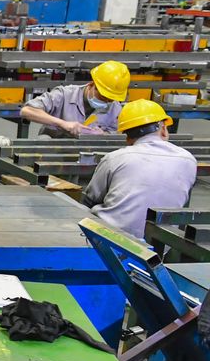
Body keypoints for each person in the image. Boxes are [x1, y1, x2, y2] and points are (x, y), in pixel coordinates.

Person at [82, 100, 196, 239]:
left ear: (127, 137)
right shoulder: (188, 160)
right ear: (163, 129)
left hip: (111, 239)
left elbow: (90, 199)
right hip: (164, 242)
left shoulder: (115, 158)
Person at [19, 61, 129, 138]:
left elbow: (117, 136)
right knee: (44, 139)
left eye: (110, 100)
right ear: (91, 84)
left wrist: (103, 135)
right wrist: (62, 124)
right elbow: (26, 111)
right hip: (54, 147)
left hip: (88, 153)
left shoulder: (115, 107)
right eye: (103, 97)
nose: (106, 102)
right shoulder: (65, 94)